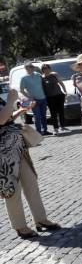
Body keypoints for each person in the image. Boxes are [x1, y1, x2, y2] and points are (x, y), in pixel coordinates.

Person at [1, 89, 61, 239]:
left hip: (17, 147)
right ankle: (20, 226)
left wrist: (21, 110)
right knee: (12, 189)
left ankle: (41, 219)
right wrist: (11, 100)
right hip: (3, 154)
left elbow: (7, 118)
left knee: (31, 183)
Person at [20, 62, 51, 136]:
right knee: (37, 116)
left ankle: (45, 130)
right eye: (30, 67)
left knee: (43, 115)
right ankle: (39, 132)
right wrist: (29, 97)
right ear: (26, 68)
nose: (32, 68)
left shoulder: (38, 75)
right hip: (34, 100)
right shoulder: (24, 78)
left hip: (43, 98)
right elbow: (22, 90)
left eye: (32, 66)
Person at [40, 63, 69, 135]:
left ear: (50, 69)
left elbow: (61, 82)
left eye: (47, 68)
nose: (46, 69)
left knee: (61, 111)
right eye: (44, 68)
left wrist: (65, 91)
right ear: (42, 70)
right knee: (53, 113)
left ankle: (62, 126)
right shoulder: (42, 78)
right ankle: (55, 128)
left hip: (59, 95)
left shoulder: (54, 74)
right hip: (50, 97)